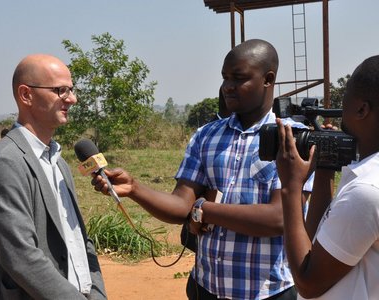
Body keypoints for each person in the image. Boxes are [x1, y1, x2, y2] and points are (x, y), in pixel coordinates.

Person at [92, 39, 313, 300]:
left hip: (267, 292)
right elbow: (180, 205)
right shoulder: (206, 136)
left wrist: (204, 209)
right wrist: (134, 189)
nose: (227, 87)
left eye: (239, 78)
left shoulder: (293, 138)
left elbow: (280, 218)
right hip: (206, 288)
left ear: (268, 79)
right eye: (225, 78)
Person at [0, 54, 107, 299]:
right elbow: (22, 258)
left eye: (71, 89)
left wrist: (97, 292)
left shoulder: (59, 162)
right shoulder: (5, 162)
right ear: (26, 95)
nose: (72, 99)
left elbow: (80, 240)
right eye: (60, 90)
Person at [275, 55, 379, 299]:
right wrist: (323, 173)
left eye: (345, 97)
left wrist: (291, 187)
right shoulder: (368, 173)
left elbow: (308, 283)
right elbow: (317, 244)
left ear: (362, 109)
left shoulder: (366, 190)